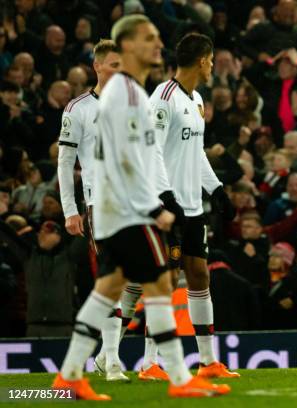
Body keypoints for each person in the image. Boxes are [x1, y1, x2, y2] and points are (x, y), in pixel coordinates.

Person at [51, 15, 230, 400]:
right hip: (127, 206)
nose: (158, 46)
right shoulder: (132, 97)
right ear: (129, 46)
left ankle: (73, 373)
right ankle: (172, 375)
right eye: (149, 39)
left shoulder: (130, 93)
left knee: (116, 288)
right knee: (151, 284)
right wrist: (158, 203)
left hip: (131, 203)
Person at [147, 33, 238, 379]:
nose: (213, 66)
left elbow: (196, 150)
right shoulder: (163, 97)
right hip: (166, 206)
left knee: (199, 276)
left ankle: (207, 362)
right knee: (166, 281)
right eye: (212, 60)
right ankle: (149, 362)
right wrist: (164, 195)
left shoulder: (197, 99)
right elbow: (150, 149)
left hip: (192, 206)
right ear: (202, 60)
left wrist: (216, 189)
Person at [56, 39, 126, 382]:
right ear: (97, 66)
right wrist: (71, 210)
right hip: (101, 204)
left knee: (139, 282)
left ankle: (103, 356)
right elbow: (65, 161)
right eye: (113, 64)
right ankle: (112, 361)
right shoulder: (78, 109)